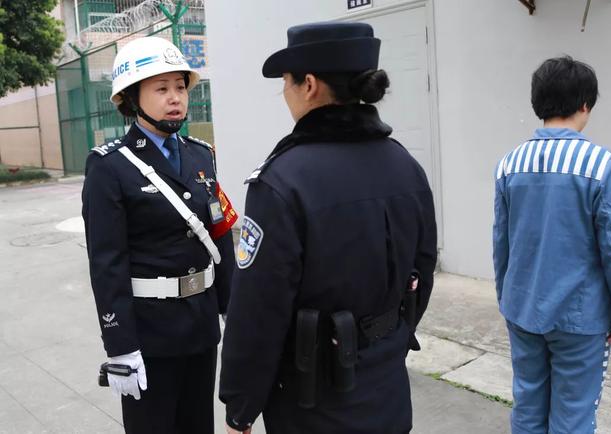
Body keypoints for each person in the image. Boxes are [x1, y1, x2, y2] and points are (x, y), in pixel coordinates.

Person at [219, 22, 438, 434]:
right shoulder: (406, 167)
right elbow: (422, 274)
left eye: (286, 81)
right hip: (387, 387)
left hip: (312, 400)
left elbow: (258, 311)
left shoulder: (282, 182)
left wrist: (240, 407)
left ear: (310, 85)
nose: (284, 92)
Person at [82, 36, 237, 434]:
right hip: (149, 336)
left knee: (199, 424)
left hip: (201, 325)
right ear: (132, 98)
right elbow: (107, 264)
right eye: (162, 88)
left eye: (181, 87)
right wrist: (121, 346)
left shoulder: (202, 155)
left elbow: (218, 233)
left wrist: (232, 309)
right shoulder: (110, 167)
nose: (175, 98)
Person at [493, 56, 611, 434]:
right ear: (585, 104)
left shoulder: (509, 163)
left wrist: (507, 299)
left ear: (537, 101)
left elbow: (502, 243)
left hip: (522, 309)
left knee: (527, 407)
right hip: (580, 317)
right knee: (573, 415)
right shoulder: (602, 165)